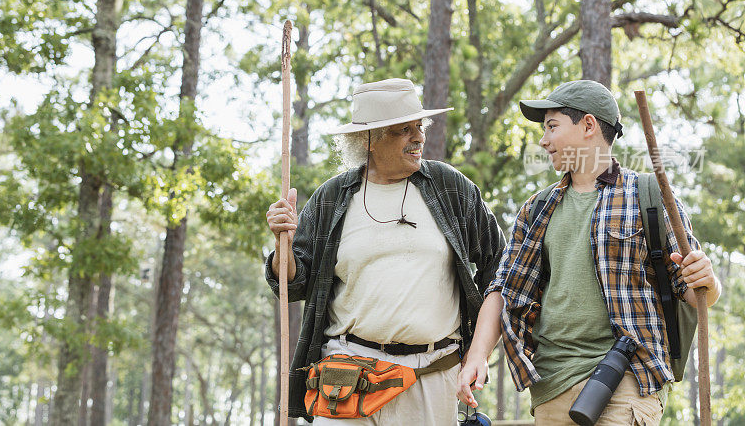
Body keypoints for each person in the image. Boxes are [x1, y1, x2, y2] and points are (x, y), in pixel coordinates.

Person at [456, 80, 722, 425]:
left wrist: (708, 281)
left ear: (588, 126)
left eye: (552, 126)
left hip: (628, 379)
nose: (543, 140)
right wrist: (478, 354)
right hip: (551, 385)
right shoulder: (538, 208)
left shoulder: (649, 195)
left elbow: (695, 292)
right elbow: (503, 290)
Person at [265, 78, 506, 423]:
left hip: (431, 376)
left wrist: (479, 353)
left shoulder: (450, 187)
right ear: (369, 141)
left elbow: (501, 269)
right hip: (345, 378)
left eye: (418, 126)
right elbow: (295, 284)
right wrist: (281, 244)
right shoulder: (332, 197)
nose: (419, 137)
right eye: (403, 130)